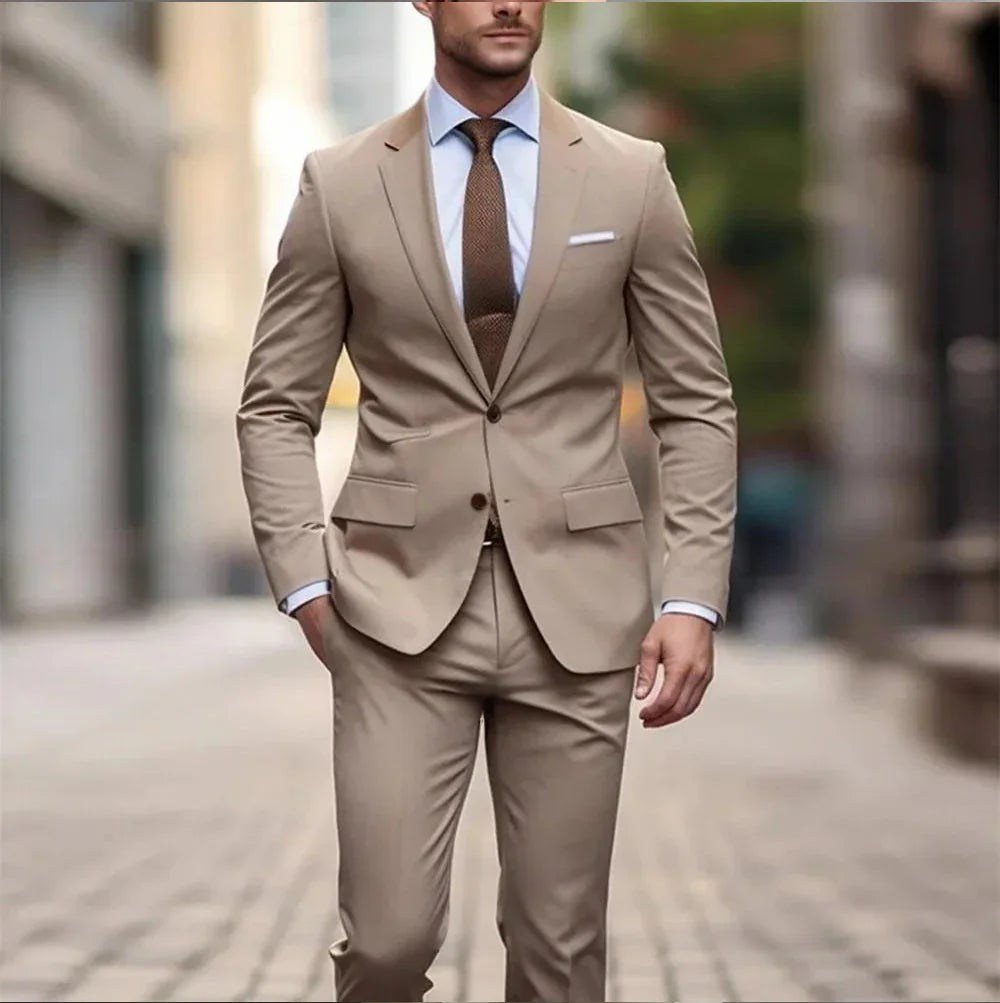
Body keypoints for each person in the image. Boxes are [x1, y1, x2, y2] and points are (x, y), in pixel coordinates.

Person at [236, 2, 737, 1000]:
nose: (507, 2)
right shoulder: (339, 184)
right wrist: (304, 585)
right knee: (385, 940)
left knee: (558, 949)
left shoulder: (629, 174)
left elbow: (695, 403)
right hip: (392, 609)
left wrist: (688, 598)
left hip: (580, 608)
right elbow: (274, 406)